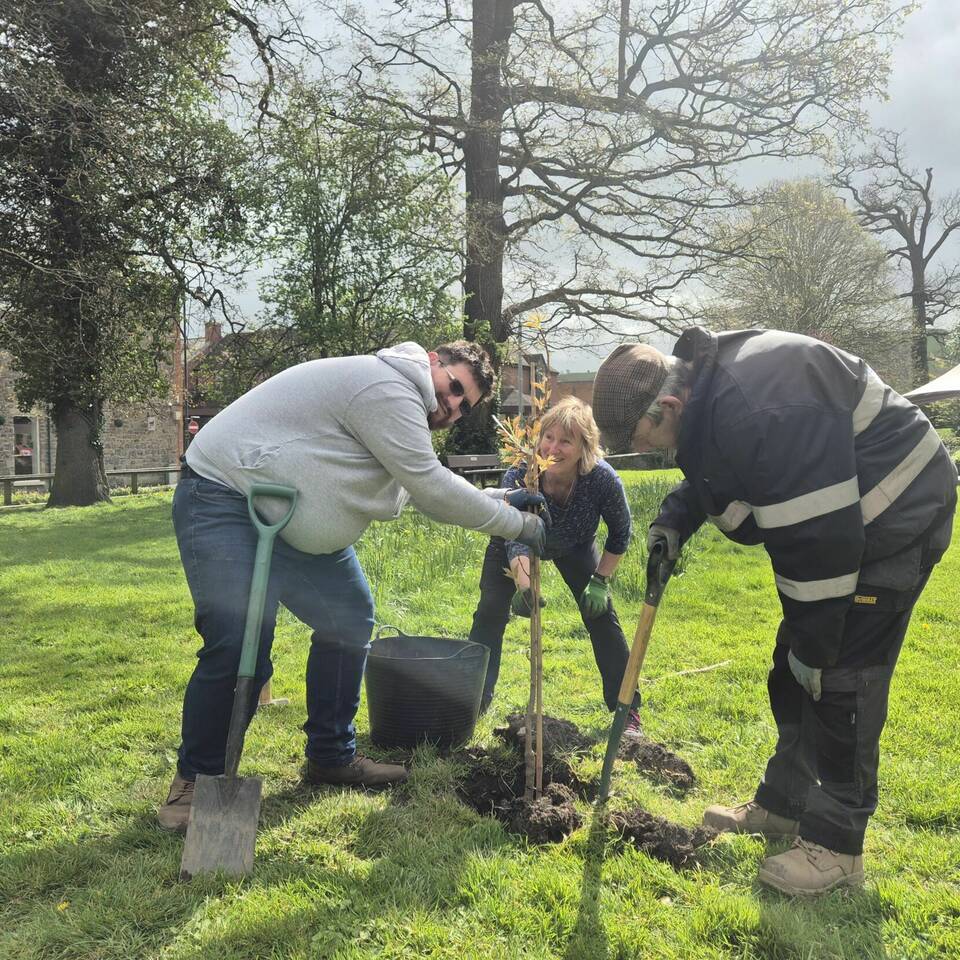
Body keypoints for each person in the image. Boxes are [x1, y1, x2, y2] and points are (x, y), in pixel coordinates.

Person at [591, 328, 957, 895]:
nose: (653, 450)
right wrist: (674, 519)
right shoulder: (707, 395)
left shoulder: (758, 409)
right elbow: (715, 469)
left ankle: (838, 848)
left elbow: (819, 544)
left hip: (894, 510)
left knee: (841, 676)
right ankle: (786, 804)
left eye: (646, 438)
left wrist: (816, 647)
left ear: (669, 405)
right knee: (793, 669)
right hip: (839, 521)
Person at [158, 341, 549, 832]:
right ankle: (195, 779)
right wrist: (517, 526)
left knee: (347, 618)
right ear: (433, 361)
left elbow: (415, 484)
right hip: (226, 496)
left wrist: (500, 497)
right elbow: (430, 487)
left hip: (286, 516)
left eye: (463, 405)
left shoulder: (400, 406)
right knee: (239, 640)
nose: (452, 406)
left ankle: (331, 755)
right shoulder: (389, 387)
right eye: (454, 387)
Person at [467, 396, 639, 725]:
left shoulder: (602, 479)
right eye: (548, 437)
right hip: (515, 540)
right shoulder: (522, 474)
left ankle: (626, 711)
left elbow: (621, 532)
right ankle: (473, 701)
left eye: (565, 441)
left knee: (602, 616)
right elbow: (515, 536)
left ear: (584, 447)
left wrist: (600, 581)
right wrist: (525, 587)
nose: (552, 448)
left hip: (575, 544)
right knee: (490, 611)